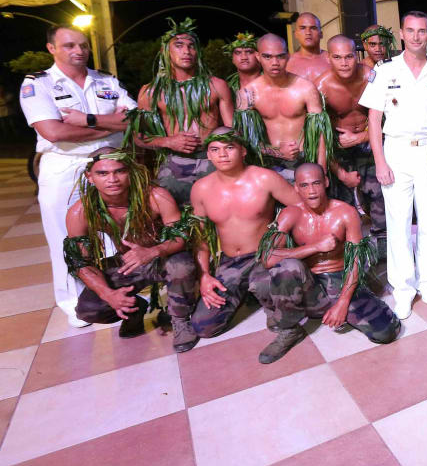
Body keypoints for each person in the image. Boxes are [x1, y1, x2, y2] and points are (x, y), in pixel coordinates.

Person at [20, 24, 136, 326]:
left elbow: (135, 119)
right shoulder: (38, 84)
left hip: (110, 163)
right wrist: (110, 125)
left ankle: (120, 288)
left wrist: (88, 120)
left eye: (83, 45)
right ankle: (74, 302)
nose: (79, 51)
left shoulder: (105, 80)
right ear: (52, 49)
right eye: (69, 45)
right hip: (64, 165)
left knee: (118, 230)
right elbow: (54, 131)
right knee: (65, 235)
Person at [184, 129, 325, 363]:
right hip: (230, 262)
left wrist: (282, 234)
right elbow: (200, 237)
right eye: (215, 150)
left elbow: (302, 208)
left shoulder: (264, 178)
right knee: (204, 326)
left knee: (278, 275)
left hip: (265, 254)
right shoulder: (201, 188)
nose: (223, 155)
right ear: (208, 155)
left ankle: (289, 328)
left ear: (243, 150)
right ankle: (252, 294)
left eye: (229, 148)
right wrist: (204, 276)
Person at [360, 11, 427, 319]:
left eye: (422, 31)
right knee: (398, 224)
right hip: (395, 151)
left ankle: (426, 282)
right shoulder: (385, 70)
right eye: (410, 31)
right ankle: (403, 290)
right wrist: (379, 160)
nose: (416, 36)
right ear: (401, 34)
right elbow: (373, 119)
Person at [63, 148, 197, 344]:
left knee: (181, 266)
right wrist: (109, 295)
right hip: (129, 262)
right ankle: (134, 311)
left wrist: (152, 251)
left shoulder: (156, 197)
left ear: (131, 173)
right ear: (89, 177)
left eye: (120, 171)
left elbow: (182, 237)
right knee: (88, 309)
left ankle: (180, 320)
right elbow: (80, 263)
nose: (112, 179)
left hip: (165, 256)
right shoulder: (80, 212)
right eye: (103, 173)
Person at [258, 163, 400, 344]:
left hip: (341, 278)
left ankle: (338, 306)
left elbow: (355, 261)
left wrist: (342, 304)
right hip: (308, 282)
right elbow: (267, 258)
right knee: (286, 267)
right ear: (296, 187)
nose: (311, 191)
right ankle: (290, 325)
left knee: (385, 333)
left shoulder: (345, 213)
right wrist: (315, 247)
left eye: (316, 183)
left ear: (325, 182)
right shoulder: (290, 214)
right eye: (304, 185)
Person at [127, 17, 234, 206]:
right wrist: (168, 141)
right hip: (173, 163)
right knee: (175, 219)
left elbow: (232, 131)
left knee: (217, 215)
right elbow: (138, 136)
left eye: (191, 46)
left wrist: (222, 152)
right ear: (165, 51)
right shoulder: (151, 91)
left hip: (212, 161)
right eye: (178, 45)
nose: (186, 51)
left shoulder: (216, 85)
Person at [235, 33, 332, 182]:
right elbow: (244, 140)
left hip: (304, 160)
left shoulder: (305, 88)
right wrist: (277, 152)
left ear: (287, 56)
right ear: (258, 56)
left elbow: (321, 134)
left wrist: (322, 170)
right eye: (268, 57)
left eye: (280, 56)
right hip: (268, 162)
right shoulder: (248, 93)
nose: (275, 62)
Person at [316, 35, 374, 212]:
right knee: (342, 205)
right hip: (338, 148)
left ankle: (382, 237)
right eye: (337, 57)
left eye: (348, 56)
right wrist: (341, 174)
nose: (344, 63)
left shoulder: (370, 78)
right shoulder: (320, 88)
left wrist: (360, 138)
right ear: (328, 58)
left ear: (356, 56)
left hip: (370, 142)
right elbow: (319, 138)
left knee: (379, 195)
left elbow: (390, 120)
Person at [286, 12, 330, 83]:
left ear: (321, 34)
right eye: (303, 28)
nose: (308, 32)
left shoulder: (332, 60)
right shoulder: (287, 63)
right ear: (296, 34)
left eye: (313, 28)